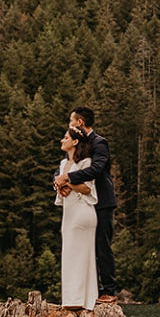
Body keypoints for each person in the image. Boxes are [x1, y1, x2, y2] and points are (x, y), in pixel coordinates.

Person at [53, 106, 117, 304]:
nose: (69, 125)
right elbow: (65, 165)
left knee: (102, 245)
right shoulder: (77, 145)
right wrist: (59, 182)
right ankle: (89, 293)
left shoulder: (99, 143)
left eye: (71, 121)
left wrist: (68, 179)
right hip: (78, 203)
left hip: (102, 201)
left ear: (79, 122)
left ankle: (109, 290)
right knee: (84, 248)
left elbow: (97, 169)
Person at [54, 127, 99, 310]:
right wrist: (61, 187)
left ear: (75, 142)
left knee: (80, 255)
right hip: (69, 212)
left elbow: (87, 188)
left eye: (65, 137)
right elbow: (62, 184)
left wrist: (68, 184)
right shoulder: (63, 163)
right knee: (70, 254)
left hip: (82, 210)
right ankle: (73, 299)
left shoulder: (86, 162)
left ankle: (79, 300)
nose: (61, 140)